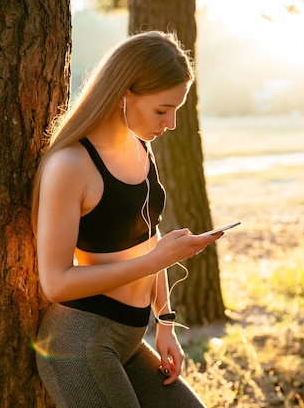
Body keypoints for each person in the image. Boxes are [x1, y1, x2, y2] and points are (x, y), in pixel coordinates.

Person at [31, 31, 221, 408]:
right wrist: (154, 262)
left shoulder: (140, 147)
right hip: (79, 344)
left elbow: (151, 238)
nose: (172, 124)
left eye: (177, 110)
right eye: (162, 110)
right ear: (124, 94)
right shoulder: (71, 165)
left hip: (132, 339)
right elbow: (55, 283)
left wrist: (165, 323)